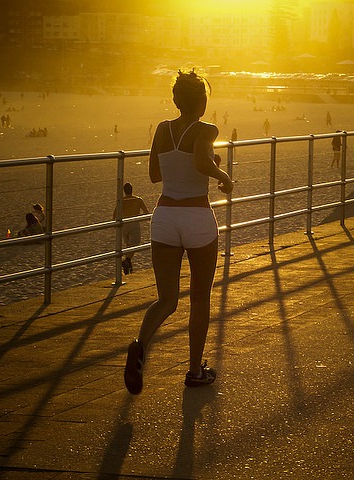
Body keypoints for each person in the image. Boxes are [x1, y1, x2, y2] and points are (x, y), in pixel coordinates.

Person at [124, 69, 233, 395]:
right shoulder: (207, 128)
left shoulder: (162, 129)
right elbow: (201, 162)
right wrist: (222, 175)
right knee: (199, 298)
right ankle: (195, 371)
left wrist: (184, 164)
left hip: (165, 217)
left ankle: (140, 345)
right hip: (197, 217)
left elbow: (155, 174)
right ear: (201, 101)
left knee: (167, 299)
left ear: (176, 100)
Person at [112, 182, 149, 275]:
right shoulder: (138, 200)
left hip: (124, 224)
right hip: (134, 224)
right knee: (134, 245)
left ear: (124, 191)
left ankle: (129, 264)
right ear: (132, 190)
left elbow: (115, 213)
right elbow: (146, 212)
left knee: (128, 245)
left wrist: (114, 223)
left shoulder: (122, 200)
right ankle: (127, 260)